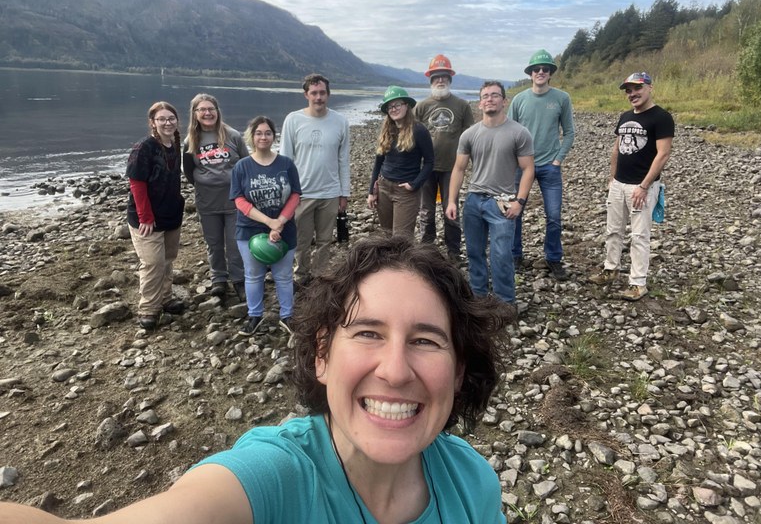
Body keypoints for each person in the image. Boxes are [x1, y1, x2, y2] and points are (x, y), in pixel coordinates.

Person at [0, 236, 513, 523]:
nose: (396, 370)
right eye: (366, 333)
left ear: (460, 368)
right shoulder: (273, 480)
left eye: (426, 340)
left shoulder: (474, 486)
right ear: (321, 357)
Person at [446, 81, 535, 309]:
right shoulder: (469, 134)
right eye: (485, 96)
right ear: (479, 103)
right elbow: (459, 169)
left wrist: (520, 201)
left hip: (503, 203)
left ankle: (505, 303)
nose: (490, 99)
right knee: (474, 253)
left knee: (501, 255)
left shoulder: (519, 132)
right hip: (474, 200)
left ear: (504, 101)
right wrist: (451, 201)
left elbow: (528, 169)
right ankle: (479, 297)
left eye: (495, 95)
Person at [588, 72, 674, 301]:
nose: (632, 94)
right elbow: (616, 149)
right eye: (628, 90)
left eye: (637, 88)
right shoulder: (625, 117)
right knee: (613, 230)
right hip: (618, 185)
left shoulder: (661, 117)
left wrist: (644, 186)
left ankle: (638, 283)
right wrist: (612, 178)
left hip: (642, 187)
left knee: (639, 236)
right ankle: (610, 269)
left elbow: (663, 154)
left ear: (649, 87)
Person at [231, 116, 302, 336]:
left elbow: (295, 195)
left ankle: (287, 316)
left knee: (284, 276)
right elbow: (239, 200)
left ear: (274, 136)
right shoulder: (242, 166)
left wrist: (279, 222)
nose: (263, 137)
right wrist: (268, 222)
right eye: (259, 133)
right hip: (250, 230)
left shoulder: (286, 164)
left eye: (268, 133)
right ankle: (255, 316)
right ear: (251, 136)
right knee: (253, 276)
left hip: (284, 229)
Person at [509, 49, 575, 281]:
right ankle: (515, 255)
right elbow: (510, 132)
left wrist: (558, 159)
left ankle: (553, 258)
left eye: (545, 69)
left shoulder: (562, 98)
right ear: (530, 73)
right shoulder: (519, 100)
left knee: (554, 215)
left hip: (550, 166)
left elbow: (569, 133)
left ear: (550, 73)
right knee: (514, 213)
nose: (540, 72)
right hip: (521, 166)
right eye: (536, 69)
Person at [279, 74, 350, 288]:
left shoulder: (340, 121)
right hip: (302, 194)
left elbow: (343, 160)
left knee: (325, 241)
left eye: (322, 93)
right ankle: (301, 276)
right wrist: (287, 195)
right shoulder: (293, 120)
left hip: (330, 193)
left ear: (328, 94)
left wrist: (343, 193)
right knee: (301, 241)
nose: (318, 97)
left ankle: (321, 277)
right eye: (314, 93)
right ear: (306, 95)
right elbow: (285, 160)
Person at [183, 93, 250, 301]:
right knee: (213, 244)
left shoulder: (232, 135)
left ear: (217, 111)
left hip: (233, 202)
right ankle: (218, 279)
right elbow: (188, 171)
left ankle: (239, 280)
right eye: (202, 109)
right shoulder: (190, 140)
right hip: (207, 202)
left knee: (234, 243)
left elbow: (246, 165)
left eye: (210, 109)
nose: (207, 113)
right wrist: (207, 183)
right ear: (195, 114)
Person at [125, 102, 186, 330]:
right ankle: (149, 308)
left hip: (171, 213)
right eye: (162, 119)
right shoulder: (144, 147)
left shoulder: (174, 143)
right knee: (152, 262)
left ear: (176, 121)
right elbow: (137, 184)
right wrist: (145, 217)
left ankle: (166, 298)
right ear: (153, 122)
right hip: (147, 217)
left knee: (168, 260)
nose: (167, 122)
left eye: (171, 118)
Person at [414, 54, 474, 262]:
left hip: (453, 168)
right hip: (425, 169)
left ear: (450, 80)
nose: (440, 80)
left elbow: (470, 137)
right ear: (430, 80)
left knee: (452, 210)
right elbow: (410, 138)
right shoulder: (420, 107)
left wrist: (473, 164)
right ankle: (426, 252)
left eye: (444, 77)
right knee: (426, 212)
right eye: (436, 77)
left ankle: (454, 252)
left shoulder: (462, 106)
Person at [367, 86, 434, 237]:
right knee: (387, 234)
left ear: (407, 106)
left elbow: (429, 162)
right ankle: (390, 261)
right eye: (390, 106)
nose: (394, 109)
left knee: (401, 238)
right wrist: (371, 191)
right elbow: (378, 162)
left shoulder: (419, 130)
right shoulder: (386, 130)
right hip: (384, 187)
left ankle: (404, 261)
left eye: (397, 105)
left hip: (405, 192)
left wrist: (415, 184)